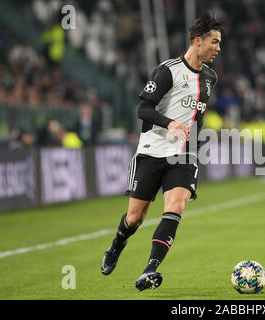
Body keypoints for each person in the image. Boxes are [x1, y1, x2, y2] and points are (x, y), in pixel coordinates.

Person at [101, 12, 223, 292]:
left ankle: (150, 269)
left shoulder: (210, 78)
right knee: (135, 218)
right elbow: (143, 109)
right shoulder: (167, 71)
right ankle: (117, 244)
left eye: (219, 43)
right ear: (197, 41)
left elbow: (197, 113)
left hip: (184, 154)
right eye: (214, 42)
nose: (218, 48)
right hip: (153, 149)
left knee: (176, 207)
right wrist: (170, 123)